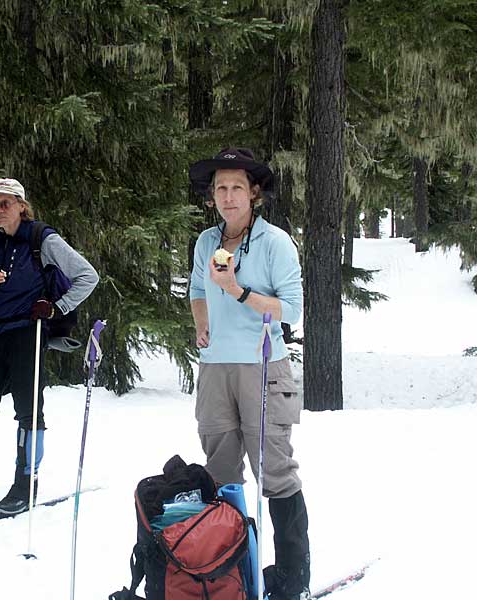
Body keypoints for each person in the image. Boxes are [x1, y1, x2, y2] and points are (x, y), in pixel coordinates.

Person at [0, 178, 99, 515]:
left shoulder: (42, 238)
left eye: (5, 203)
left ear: (21, 206)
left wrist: (57, 307)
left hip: (28, 330)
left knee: (28, 410)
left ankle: (25, 486)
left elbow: (88, 276)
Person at [188, 149, 310, 600]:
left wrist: (237, 291)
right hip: (215, 368)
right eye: (220, 188)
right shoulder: (206, 242)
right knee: (220, 473)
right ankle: (233, 573)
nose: (228, 196)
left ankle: (293, 578)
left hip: (263, 366)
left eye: (237, 187)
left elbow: (291, 309)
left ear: (254, 193)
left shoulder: (276, 243)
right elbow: (199, 288)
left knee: (275, 471)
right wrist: (202, 320)